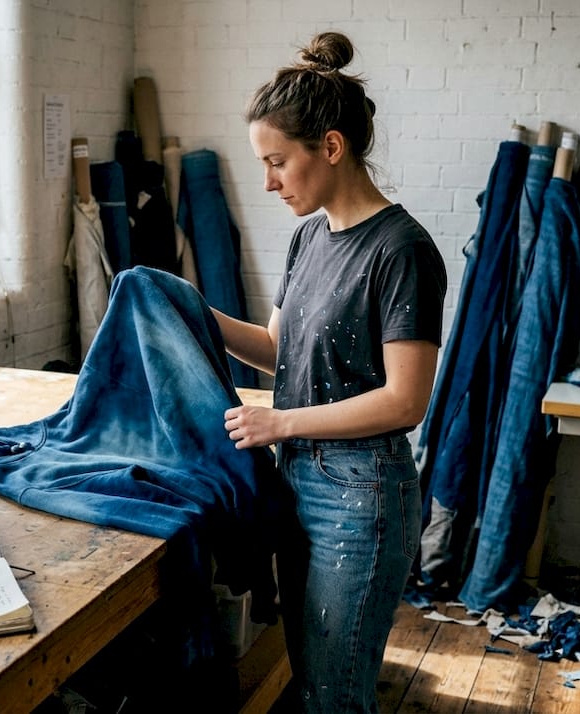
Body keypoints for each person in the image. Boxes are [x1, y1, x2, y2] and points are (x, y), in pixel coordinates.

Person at [212, 31, 448, 713]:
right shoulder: (308, 237)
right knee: (311, 684)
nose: (268, 182)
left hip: (363, 499)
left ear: (332, 148)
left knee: (336, 696)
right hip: (300, 482)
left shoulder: (403, 251)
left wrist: (279, 420)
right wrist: (191, 311)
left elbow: (407, 402)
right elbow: (279, 349)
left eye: (278, 162)